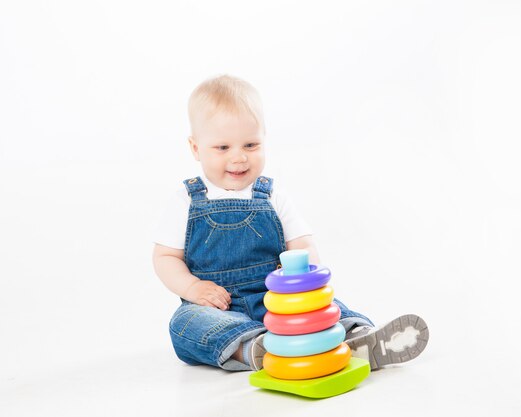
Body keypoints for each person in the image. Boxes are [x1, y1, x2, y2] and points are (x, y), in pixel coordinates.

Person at [152, 74, 429, 371]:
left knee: (325, 308)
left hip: (277, 299)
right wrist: (193, 288)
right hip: (217, 306)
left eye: (250, 144)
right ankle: (254, 349)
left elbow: (302, 243)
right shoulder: (187, 199)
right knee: (186, 324)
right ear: (196, 148)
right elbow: (165, 257)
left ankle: (355, 338)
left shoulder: (271, 195)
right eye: (223, 148)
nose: (239, 157)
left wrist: (298, 277)